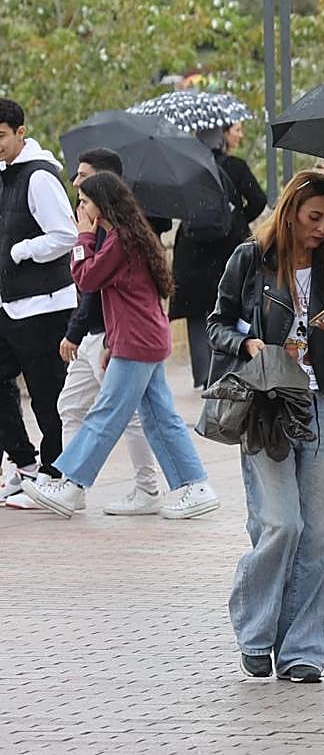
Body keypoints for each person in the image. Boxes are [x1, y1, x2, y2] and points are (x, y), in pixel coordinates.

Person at [210, 170, 324, 684]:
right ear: (291, 210)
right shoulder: (250, 258)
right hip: (268, 405)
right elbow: (217, 324)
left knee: (318, 539)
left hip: (322, 407)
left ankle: (303, 651)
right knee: (281, 523)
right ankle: (255, 630)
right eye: (313, 217)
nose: (320, 228)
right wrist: (247, 345)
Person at [18, 172, 219, 520]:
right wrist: (112, 340)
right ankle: (194, 486)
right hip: (139, 338)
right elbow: (119, 298)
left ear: (103, 204)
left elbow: (86, 278)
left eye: (84, 201)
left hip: (138, 341)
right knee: (159, 418)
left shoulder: (121, 240)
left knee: (106, 413)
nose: (79, 207)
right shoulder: (122, 238)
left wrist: (82, 234)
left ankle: (72, 484)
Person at [38, 148, 163, 516]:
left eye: (84, 179)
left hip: (112, 338)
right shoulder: (112, 230)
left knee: (126, 415)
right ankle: (72, 485)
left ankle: (145, 488)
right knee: (75, 406)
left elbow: (89, 282)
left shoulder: (115, 235)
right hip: (101, 335)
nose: (77, 184)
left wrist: (82, 239)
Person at [0, 99, 78, 507]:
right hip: (10, 305)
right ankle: (26, 463)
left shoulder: (39, 177)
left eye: (0, 136)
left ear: (20, 132)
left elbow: (65, 234)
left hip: (45, 307)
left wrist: (20, 250)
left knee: (49, 397)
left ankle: (55, 474)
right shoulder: (5, 176)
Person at [170, 123, 267, 389]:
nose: (240, 133)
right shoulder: (235, 167)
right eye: (235, 129)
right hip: (228, 251)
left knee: (197, 313)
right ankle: (227, 369)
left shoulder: (186, 170)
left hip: (191, 251)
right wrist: (236, 221)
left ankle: (203, 376)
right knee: (229, 309)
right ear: (221, 135)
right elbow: (258, 199)